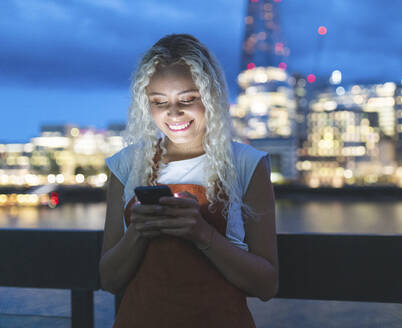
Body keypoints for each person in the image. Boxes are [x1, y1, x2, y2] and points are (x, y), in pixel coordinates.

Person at [99, 34, 278, 327]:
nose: (173, 113)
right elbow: (109, 279)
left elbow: (266, 285)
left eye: (187, 99)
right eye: (159, 101)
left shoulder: (247, 164)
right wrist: (139, 231)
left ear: (212, 96)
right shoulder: (126, 164)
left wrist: (201, 233)